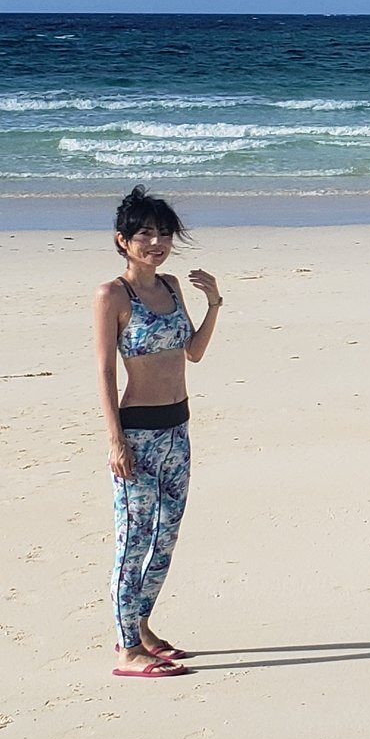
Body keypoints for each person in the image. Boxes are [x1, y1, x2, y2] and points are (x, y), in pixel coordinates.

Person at [93, 186, 222, 679]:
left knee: (166, 538)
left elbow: (193, 352)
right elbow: (105, 371)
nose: (156, 242)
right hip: (138, 434)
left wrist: (214, 303)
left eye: (164, 233)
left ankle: (143, 627)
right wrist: (115, 440)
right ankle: (127, 650)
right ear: (123, 240)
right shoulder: (111, 295)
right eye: (145, 233)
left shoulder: (170, 286)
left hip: (177, 429)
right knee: (133, 540)